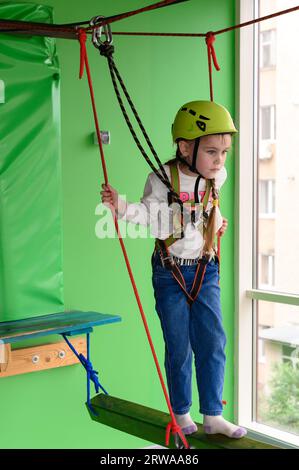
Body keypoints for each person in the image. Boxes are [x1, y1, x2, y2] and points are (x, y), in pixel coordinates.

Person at [100, 100, 247, 439]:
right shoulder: (163, 178)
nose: (219, 160)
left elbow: (206, 210)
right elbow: (148, 214)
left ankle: (213, 415)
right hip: (171, 272)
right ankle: (182, 414)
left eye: (224, 152)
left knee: (212, 341)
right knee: (179, 344)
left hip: (205, 270)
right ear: (184, 147)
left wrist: (217, 223)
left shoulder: (217, 176)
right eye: (212, 151)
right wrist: (119, 205)